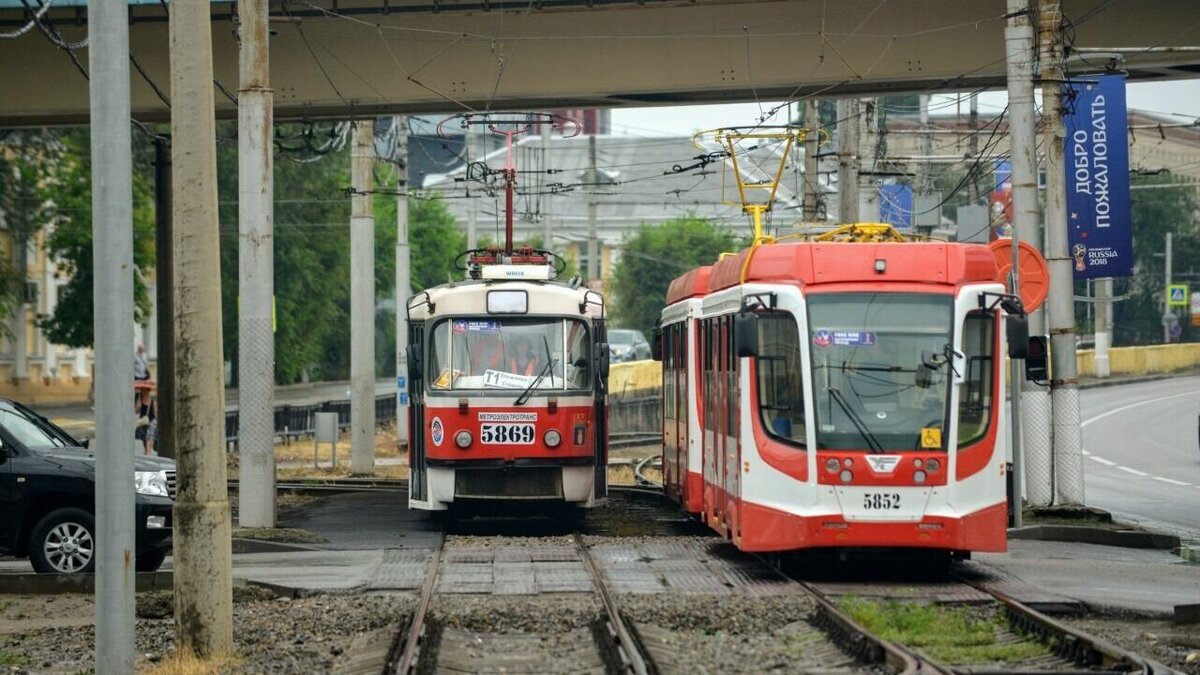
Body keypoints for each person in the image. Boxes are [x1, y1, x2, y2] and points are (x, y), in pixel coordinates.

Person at [134, 380, 157, 455]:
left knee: (149, 436)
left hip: (151, 419)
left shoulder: (152, 399)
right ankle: (146, 450)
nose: (143, 391)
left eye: (144, 390)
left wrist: (157, 419)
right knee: (143, 436)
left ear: (148, 390)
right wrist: (138, 404)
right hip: (143, 419)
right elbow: (136, 410)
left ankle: (148, 452)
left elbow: (155, 410)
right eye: (142, 390)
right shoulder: (140, 398)